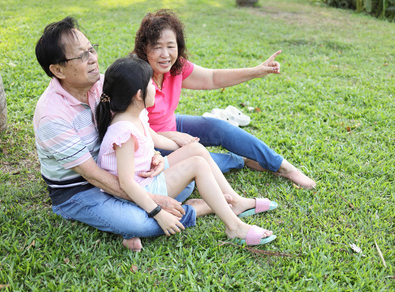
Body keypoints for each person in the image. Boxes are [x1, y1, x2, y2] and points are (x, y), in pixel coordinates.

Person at [33, 17, 205, 252]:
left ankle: (149, 207)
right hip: (80, 189)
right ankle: (196, 208)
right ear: (57, 69)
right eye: (82, 56)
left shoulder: (102, 84)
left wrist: (152, 153)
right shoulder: (51, 116)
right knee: (139, 222)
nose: (93, 58)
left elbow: (137, 122)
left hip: (120, 172)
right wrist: (154, 202)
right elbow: (92, 176)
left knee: (183, 177)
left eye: (91, 49)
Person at [95, 56, 277, 246]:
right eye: (150, 83)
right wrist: (157, 212)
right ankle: (234, 227)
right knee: (197, 165)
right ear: (139, 95)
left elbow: (155, 139)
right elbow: (126, 183)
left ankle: (237, 202)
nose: (155, 88)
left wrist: (187, 146)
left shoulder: (135, 114)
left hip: (146, 175)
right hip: (142, 190)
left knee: (196, 151)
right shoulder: (124, 133)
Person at [132, 9, 316, 189]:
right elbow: (129, 128)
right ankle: (242, 160)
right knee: (201, 158)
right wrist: (170, 136)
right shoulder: (135, 76)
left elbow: (213, 78)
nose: (165, 54)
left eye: (171, 46)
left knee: (218, 127)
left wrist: (256, 71)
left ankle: (285, 167)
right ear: (144, 49)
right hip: (153, 146)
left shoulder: (176, 66)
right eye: (157, 47)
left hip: (172, 125)